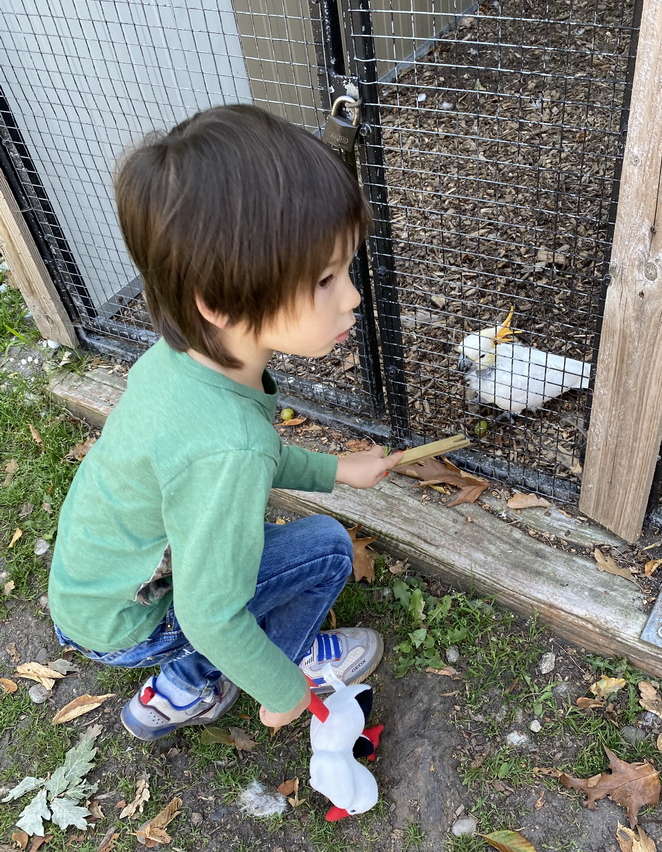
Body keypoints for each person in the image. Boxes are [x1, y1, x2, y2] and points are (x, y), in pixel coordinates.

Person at [48, 104, 399, 742]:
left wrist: (335, 469)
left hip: (94, 594)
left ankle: (182, 686)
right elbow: (209, 611)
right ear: (221, 303)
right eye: (324, 279)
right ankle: (261, 666)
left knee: (240, 548)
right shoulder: (227, 448)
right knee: (324, 549)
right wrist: (282, 693)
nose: (350, 296)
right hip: (139, 618)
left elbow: (249, 454)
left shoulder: (176, 363)